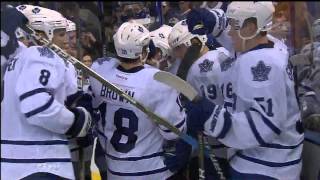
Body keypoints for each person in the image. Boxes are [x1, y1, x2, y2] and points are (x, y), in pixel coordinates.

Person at [171, 2, 304, 179]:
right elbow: (235, 38)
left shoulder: (262, 65)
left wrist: (210, 116)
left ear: (250, 27)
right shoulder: (269, 45)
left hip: (265, 168)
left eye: (234, 25)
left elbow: (262, 125)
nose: (230, 32)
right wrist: (214, 20)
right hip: (265, 162)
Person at [1, 5, 92, 180]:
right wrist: (75, 122)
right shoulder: (42, 54)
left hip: (13, 164)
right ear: (41, 35)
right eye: (60, 34)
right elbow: (37, 106)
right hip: (41, 162)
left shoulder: (17, 59)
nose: (67, 40)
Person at [89, 21, 186, 180]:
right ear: (143, 52)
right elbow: (174, 133)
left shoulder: (100, 70)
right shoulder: (158, 82)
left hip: (114, 170)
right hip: (152, 171)